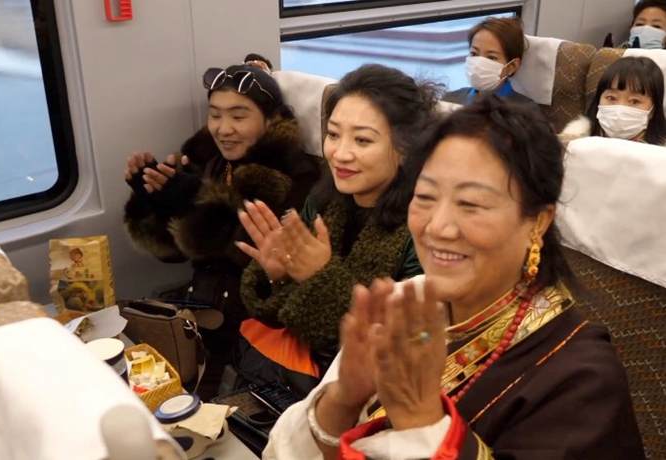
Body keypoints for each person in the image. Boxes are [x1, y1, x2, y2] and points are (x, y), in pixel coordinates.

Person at [263, 95, 646, 460]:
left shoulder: (581, 379)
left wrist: (421, 422)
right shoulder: (406, 301)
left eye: (471, 204)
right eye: (425, 197)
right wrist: (344, 398)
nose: (437, 227)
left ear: (538, 222)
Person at [233, 64, 440, 397]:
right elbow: (278, 315)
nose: (340, 154)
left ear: (405, 149)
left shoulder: (426, 229)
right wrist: (278, 276)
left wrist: (321, 277)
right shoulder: (323, 200)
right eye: (333, 134)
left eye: (362, 140)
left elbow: (402, 348)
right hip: (292, 383)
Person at [122, 54, 321, 398]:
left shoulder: (294, 175)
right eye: (215, 115)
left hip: (251, 321)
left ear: (271, 119)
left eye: (238, 116)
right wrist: (154, 201)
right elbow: (172, 255)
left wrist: (194, 201)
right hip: (198, 309)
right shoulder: (210, 162)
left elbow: (253, 258)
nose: (223, 129)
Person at [560, 56, 666, 145]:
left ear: (653, 110)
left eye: (634, 101)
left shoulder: (660, 155)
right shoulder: (573, 142)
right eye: (611, 98)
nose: (620, 108)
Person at [443, 17, 538, 110]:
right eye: (474, 54)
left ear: (512, 66)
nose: (478, 64)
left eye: (491, 58)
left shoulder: (526, 111)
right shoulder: (450, 101)